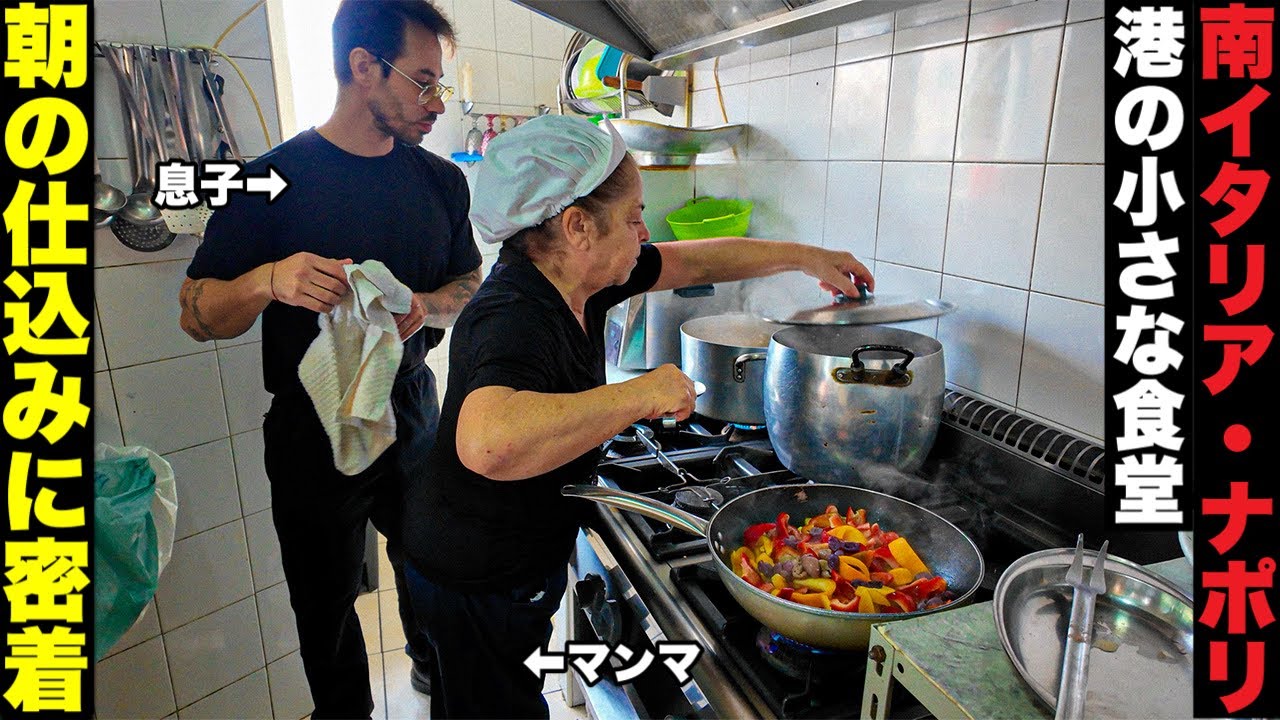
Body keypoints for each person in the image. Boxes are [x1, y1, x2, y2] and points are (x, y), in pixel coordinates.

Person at [400, 114, 875, 719]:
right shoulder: (513, 311)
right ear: (577, 226)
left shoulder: (584, 280)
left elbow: (697, 263)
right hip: (473, 572)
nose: (644, 231)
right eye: (632, 218)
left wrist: (808, 257)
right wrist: (641, 394)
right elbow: (488, 442)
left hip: (508, 555)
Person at [177, 2, 480, 717]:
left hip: (411, 405)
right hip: (311, 427)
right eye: (424, 82)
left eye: (439, 85)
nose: (437, 103)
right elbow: (194, 312)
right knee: (325, 600)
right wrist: (267, 279)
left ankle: (436, 678)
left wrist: (426, 305)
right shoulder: (269, 182)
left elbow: (468, 283)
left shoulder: (441, 181)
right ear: (363, 66)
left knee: (435, 569)